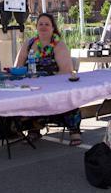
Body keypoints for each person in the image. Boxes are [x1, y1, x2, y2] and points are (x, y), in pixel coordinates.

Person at [14, 13, 82, 146]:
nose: (43, 27)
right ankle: (33, 129)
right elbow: (18, 65)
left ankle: (74, 132)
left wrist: (47, 83)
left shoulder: (58, 45)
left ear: (52, 28)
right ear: (36, 27)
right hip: (32, 86)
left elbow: (66, 71)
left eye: (47, 24)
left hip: (54, 85)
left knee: (66, 96)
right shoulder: (29, 43)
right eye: (40, 24)